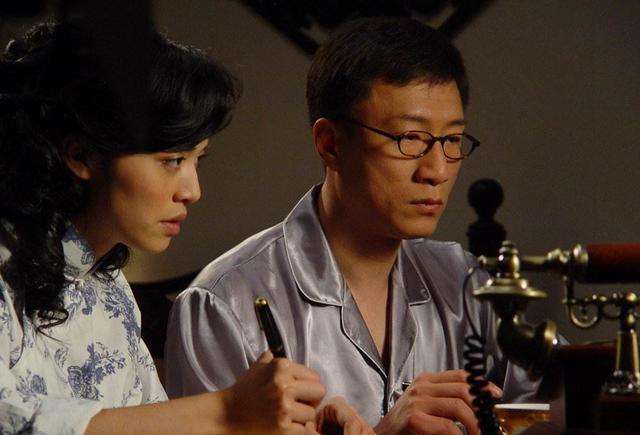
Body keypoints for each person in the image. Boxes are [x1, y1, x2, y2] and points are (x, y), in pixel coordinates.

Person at [165, 16, 542, 435]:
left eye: (452, 140)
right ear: (330, 144)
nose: (436, 170)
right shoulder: (222, 303)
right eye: (410, 139)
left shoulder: (465, 281)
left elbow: (547, 408)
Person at [0, 22, 372, 435]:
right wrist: (228, 412)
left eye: (198, 160)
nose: (192, 191)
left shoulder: (108, 287)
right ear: (81, 155)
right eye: (172, 160)